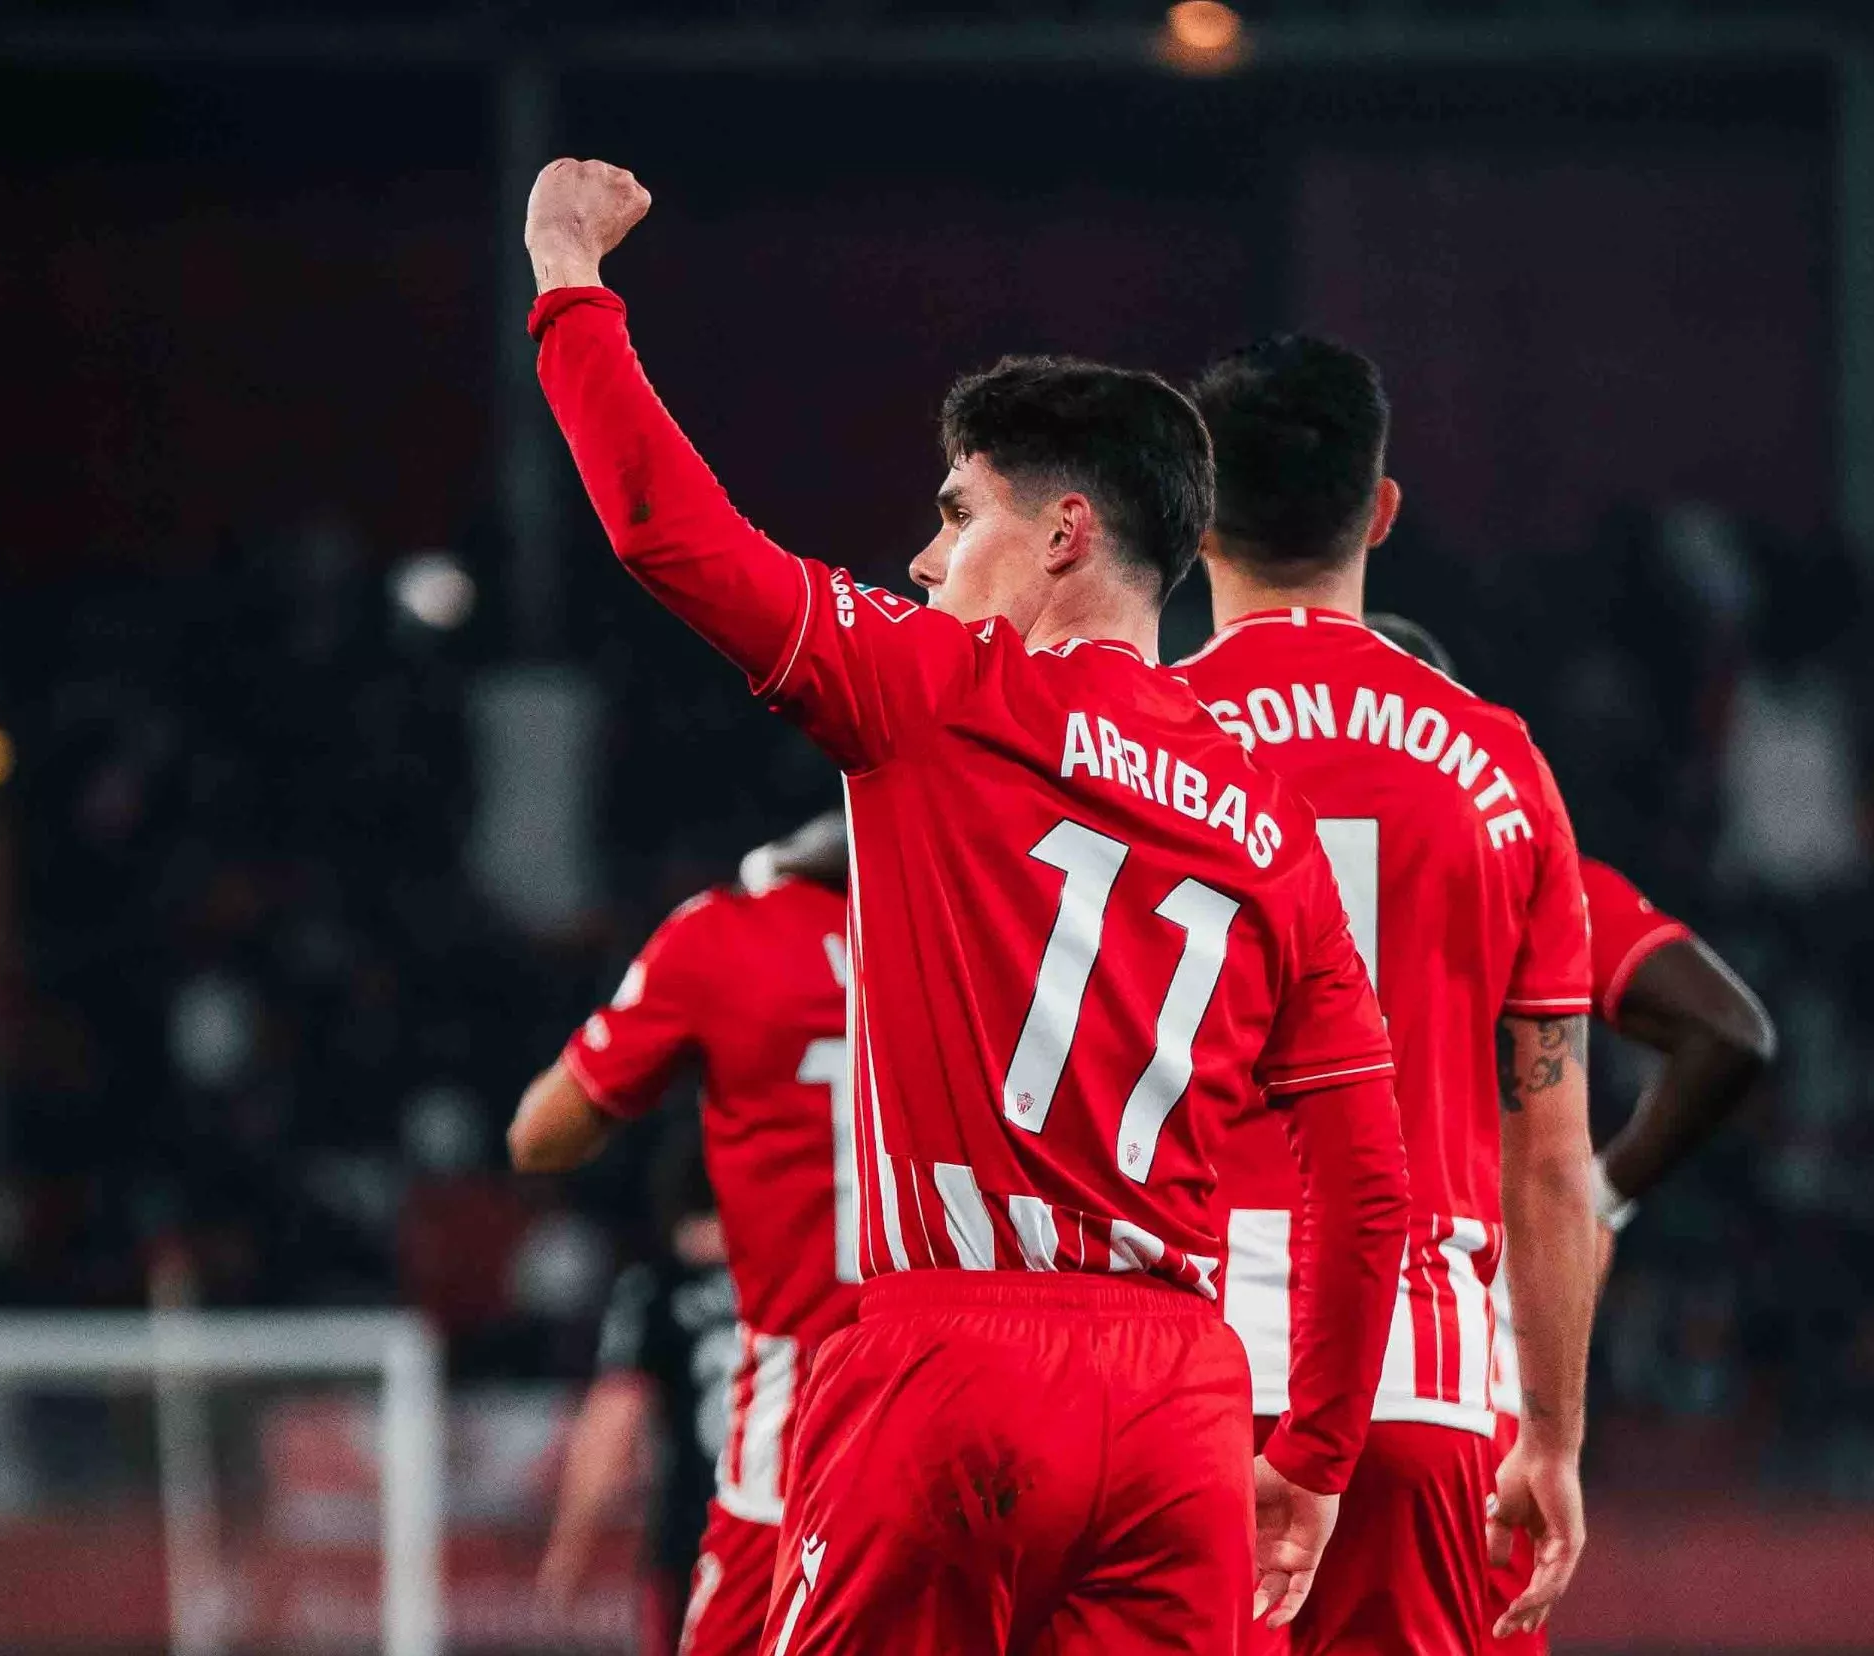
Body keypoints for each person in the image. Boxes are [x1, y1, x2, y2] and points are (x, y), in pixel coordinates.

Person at [521, 159, 1411, 1655]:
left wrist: (565, 279)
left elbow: (661, 531)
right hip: (1183, 1404)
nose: (924, 558)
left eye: (953, 513)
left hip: (953, 1357)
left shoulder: (933, 692)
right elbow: (1362, 1181)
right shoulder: (1273, 827)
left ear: (1064, 533)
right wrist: (1311, 1456)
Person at [1183, 337, 1597, 1654]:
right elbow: (1548, 1161)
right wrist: (1550, 1434)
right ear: (1378, 510)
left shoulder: (1124, 740)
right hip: (1418, 1387)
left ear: (1191, 520)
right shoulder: (1496, 765)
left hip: (1166, 1374)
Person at [1358, 620, 1778, 1656]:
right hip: (1465, 1377)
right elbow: (1727, 1032)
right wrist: (1601, 1195)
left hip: (1248, 1357)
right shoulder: (1517, 860)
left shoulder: (1220, 845)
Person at [511, 811, 856, 1656]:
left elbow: (536, 1137)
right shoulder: (986, 923)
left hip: (802, 1403)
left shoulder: (725, 937)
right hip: (985, 1377)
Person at [533, 1119, 742, 1655]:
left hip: (694, 1545)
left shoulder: (652, 1294)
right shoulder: (790, 1285)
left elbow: (613, 1429)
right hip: (792, 1541)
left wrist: (568, 1553)